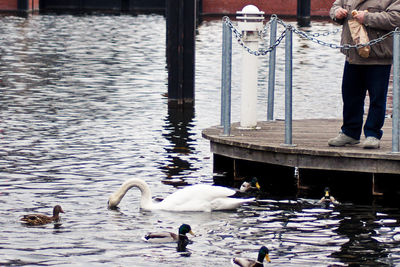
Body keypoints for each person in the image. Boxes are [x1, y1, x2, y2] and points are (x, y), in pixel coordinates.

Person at [328, 0, 400, 149]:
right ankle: (349, 133)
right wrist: (336, 13)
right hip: (353, 55)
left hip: (379, 56)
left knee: (377, 99)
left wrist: (367, 18)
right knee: (350, 96)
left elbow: (396, 17)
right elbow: (335, 6)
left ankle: (373, 134)